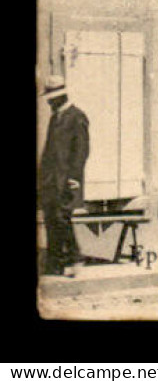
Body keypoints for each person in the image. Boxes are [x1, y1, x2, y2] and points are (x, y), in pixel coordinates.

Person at [38, 75, 89, 277]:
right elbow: (49, 151)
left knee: (62, 219)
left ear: (61, 97)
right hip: (51, 181)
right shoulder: (55, 117)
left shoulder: (77, 117)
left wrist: (74, 177)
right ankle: (55, 264)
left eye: (52, 98)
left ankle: (76, 257)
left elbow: (81, 151)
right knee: (51, 220)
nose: (49, 102)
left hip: (67, 181)